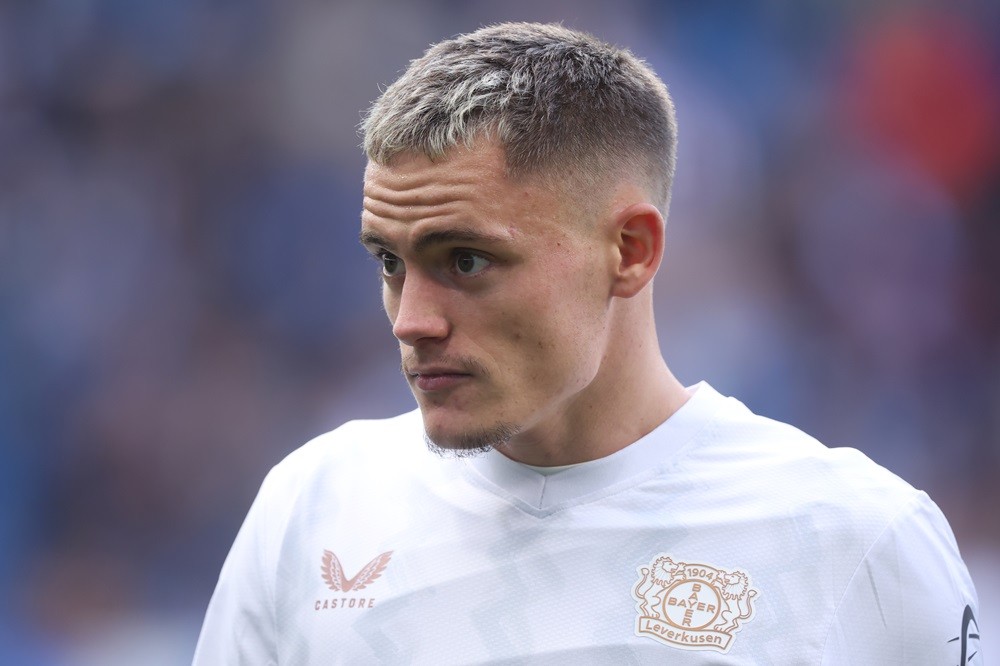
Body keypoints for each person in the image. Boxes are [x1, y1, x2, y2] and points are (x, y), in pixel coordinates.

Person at [193, 22, 982, 664]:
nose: (411, 320)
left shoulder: (853, 537)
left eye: (466, 261)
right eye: (391, 264)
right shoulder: (313, 509)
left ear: (631, 251)